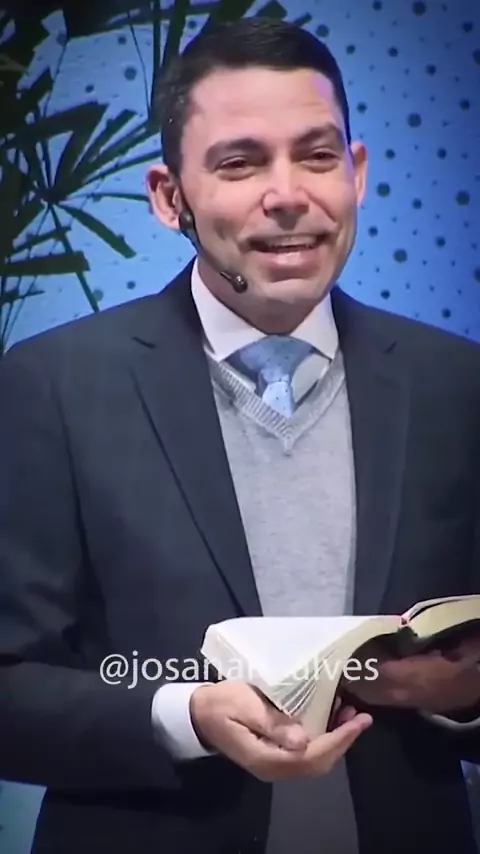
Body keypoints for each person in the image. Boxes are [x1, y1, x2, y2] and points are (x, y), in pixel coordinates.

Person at [1, 15, 480, 854]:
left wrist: (459, 696)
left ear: (357, 173)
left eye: (317, 156)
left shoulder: (456, 383)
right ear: (169, 198)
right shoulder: (54, 384)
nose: (288, 193)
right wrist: (181, 714)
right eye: (240, 163)